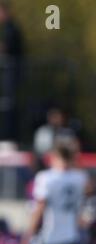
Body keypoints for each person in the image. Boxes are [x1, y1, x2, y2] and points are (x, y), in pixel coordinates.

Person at [16, 141, 88, 244]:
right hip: (70, 236)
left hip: (48, 236)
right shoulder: (80, 178)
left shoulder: (46, 178)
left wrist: (28, 233)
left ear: (54, 157)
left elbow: (40, 207)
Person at [0, 1, 23, 142]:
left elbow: (7, 48)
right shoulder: (7, 28)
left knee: (9, 104)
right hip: (10, 72)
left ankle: (9, 137)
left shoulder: (11, 28)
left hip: (12, 72)